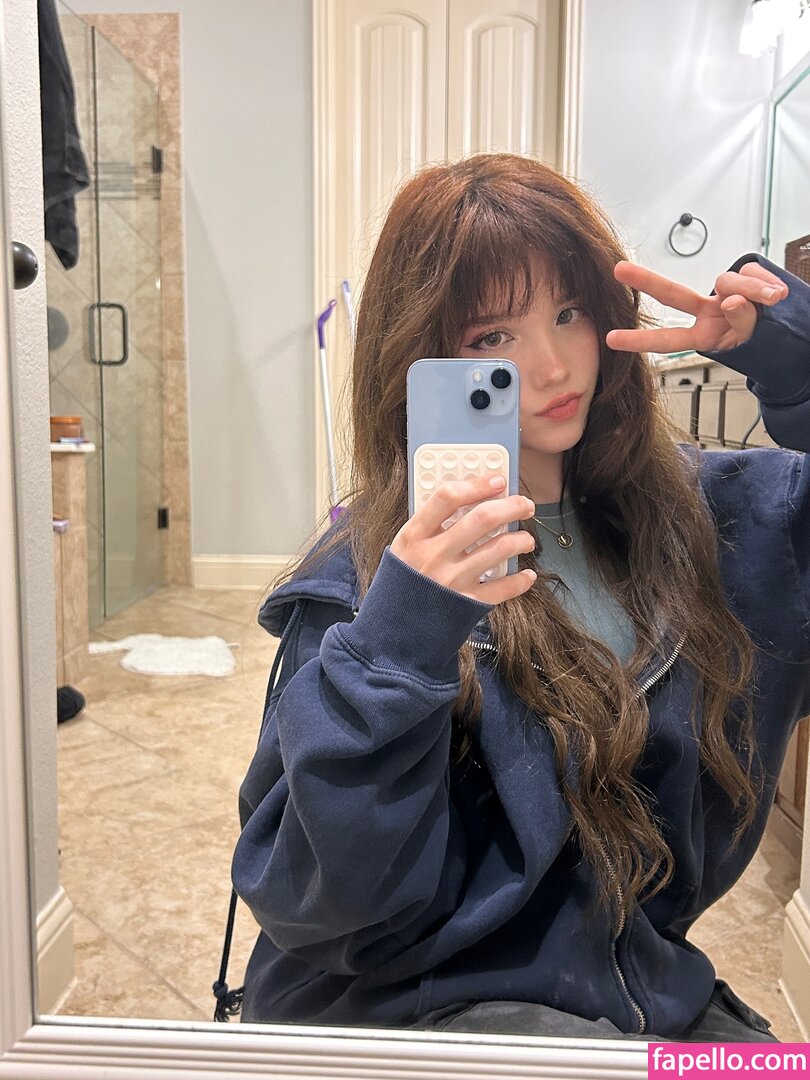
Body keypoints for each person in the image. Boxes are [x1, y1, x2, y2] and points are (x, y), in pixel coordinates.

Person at [232, 153, 810, 1041]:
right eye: (490, 338)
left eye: (570, 313)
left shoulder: (726, 521)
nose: (549, 366)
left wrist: (801, 372)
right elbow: (322, 911)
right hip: (419, 1015)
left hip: (641, 1001)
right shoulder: (362, 586)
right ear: (422, 360)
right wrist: (403, 643)